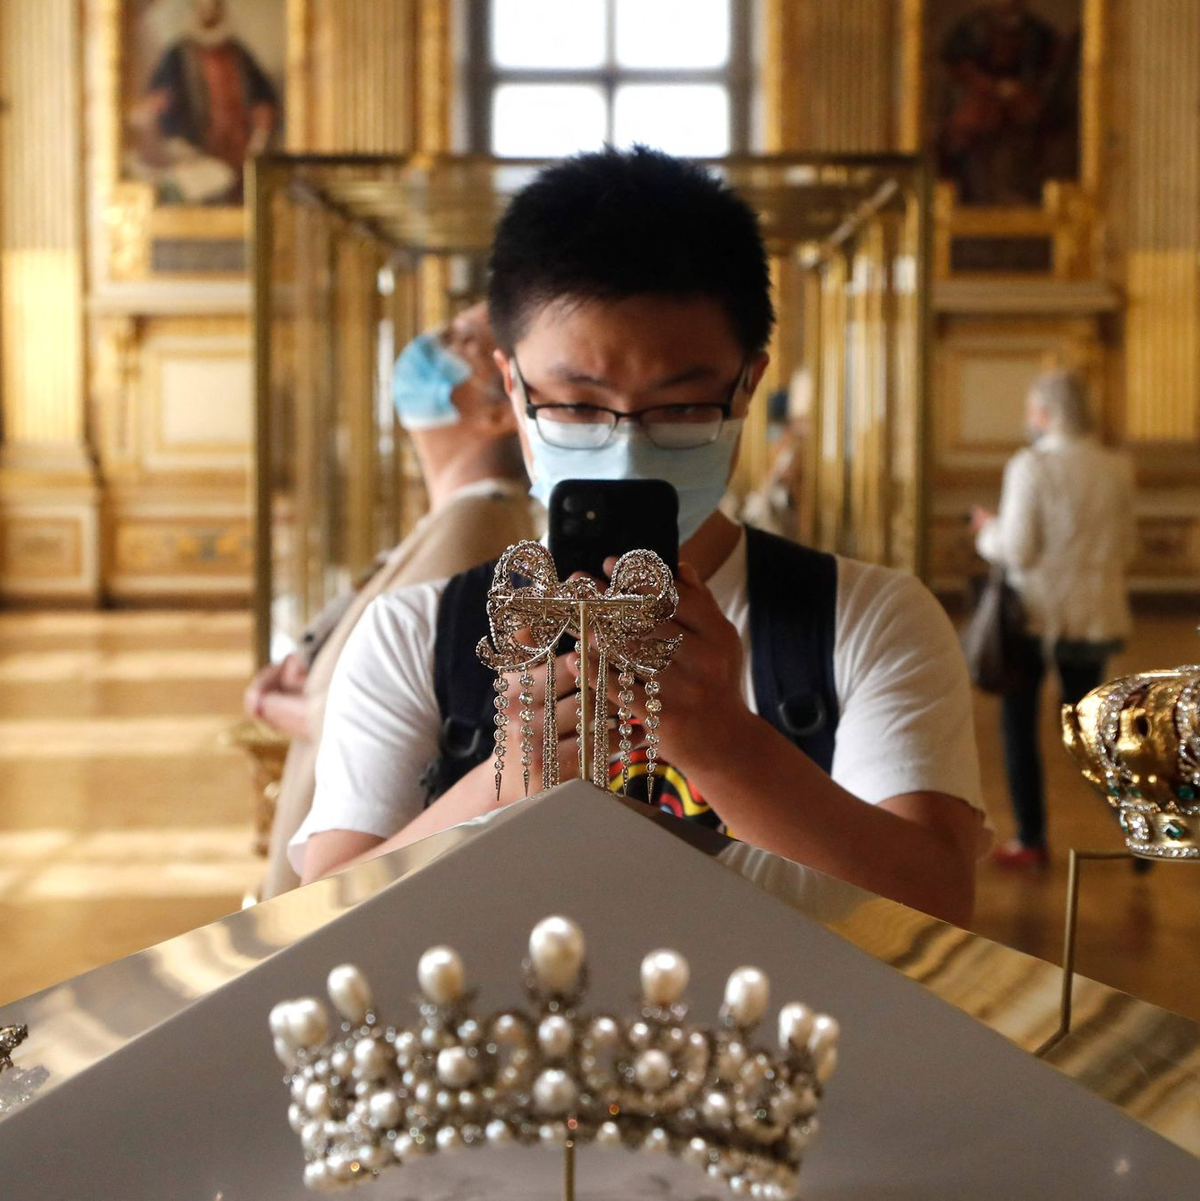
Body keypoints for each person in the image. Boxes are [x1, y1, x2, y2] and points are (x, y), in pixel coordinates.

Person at [294, 148, 987, 926]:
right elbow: (321, 922)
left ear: (746, 385)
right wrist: (504, 782)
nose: (626, 447)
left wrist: (726, 746)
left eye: (682, 407)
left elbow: (941, 913)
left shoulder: (865, 620)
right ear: (513, 386)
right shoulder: (417, 634)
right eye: (577, 407)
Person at [248, 304, 541, 897]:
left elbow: (421, 699)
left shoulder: (476, 529)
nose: (432, 341)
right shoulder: (461, 516)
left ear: (497, 408)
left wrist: (297, 710)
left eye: (461, 341)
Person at [972, 370, 1135, 868]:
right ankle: (1143, 825)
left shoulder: (1031, 467)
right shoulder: (1116, 466)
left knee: (1018, 728)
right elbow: (1127, 546)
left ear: (1043, 413)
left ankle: (1031, 839)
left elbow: (1017, 549)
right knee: (1092, 732)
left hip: (1034, 617)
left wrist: (986, 531)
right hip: (1095, 615)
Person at [130, 0, 279, 205]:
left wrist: (259, 135)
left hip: (238, 151)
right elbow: (156, 102)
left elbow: (263, 103)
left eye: (213, 7)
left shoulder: (237, 53)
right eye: (202, 6)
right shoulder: (179, 54)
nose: (208, 12)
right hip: (193, 154)